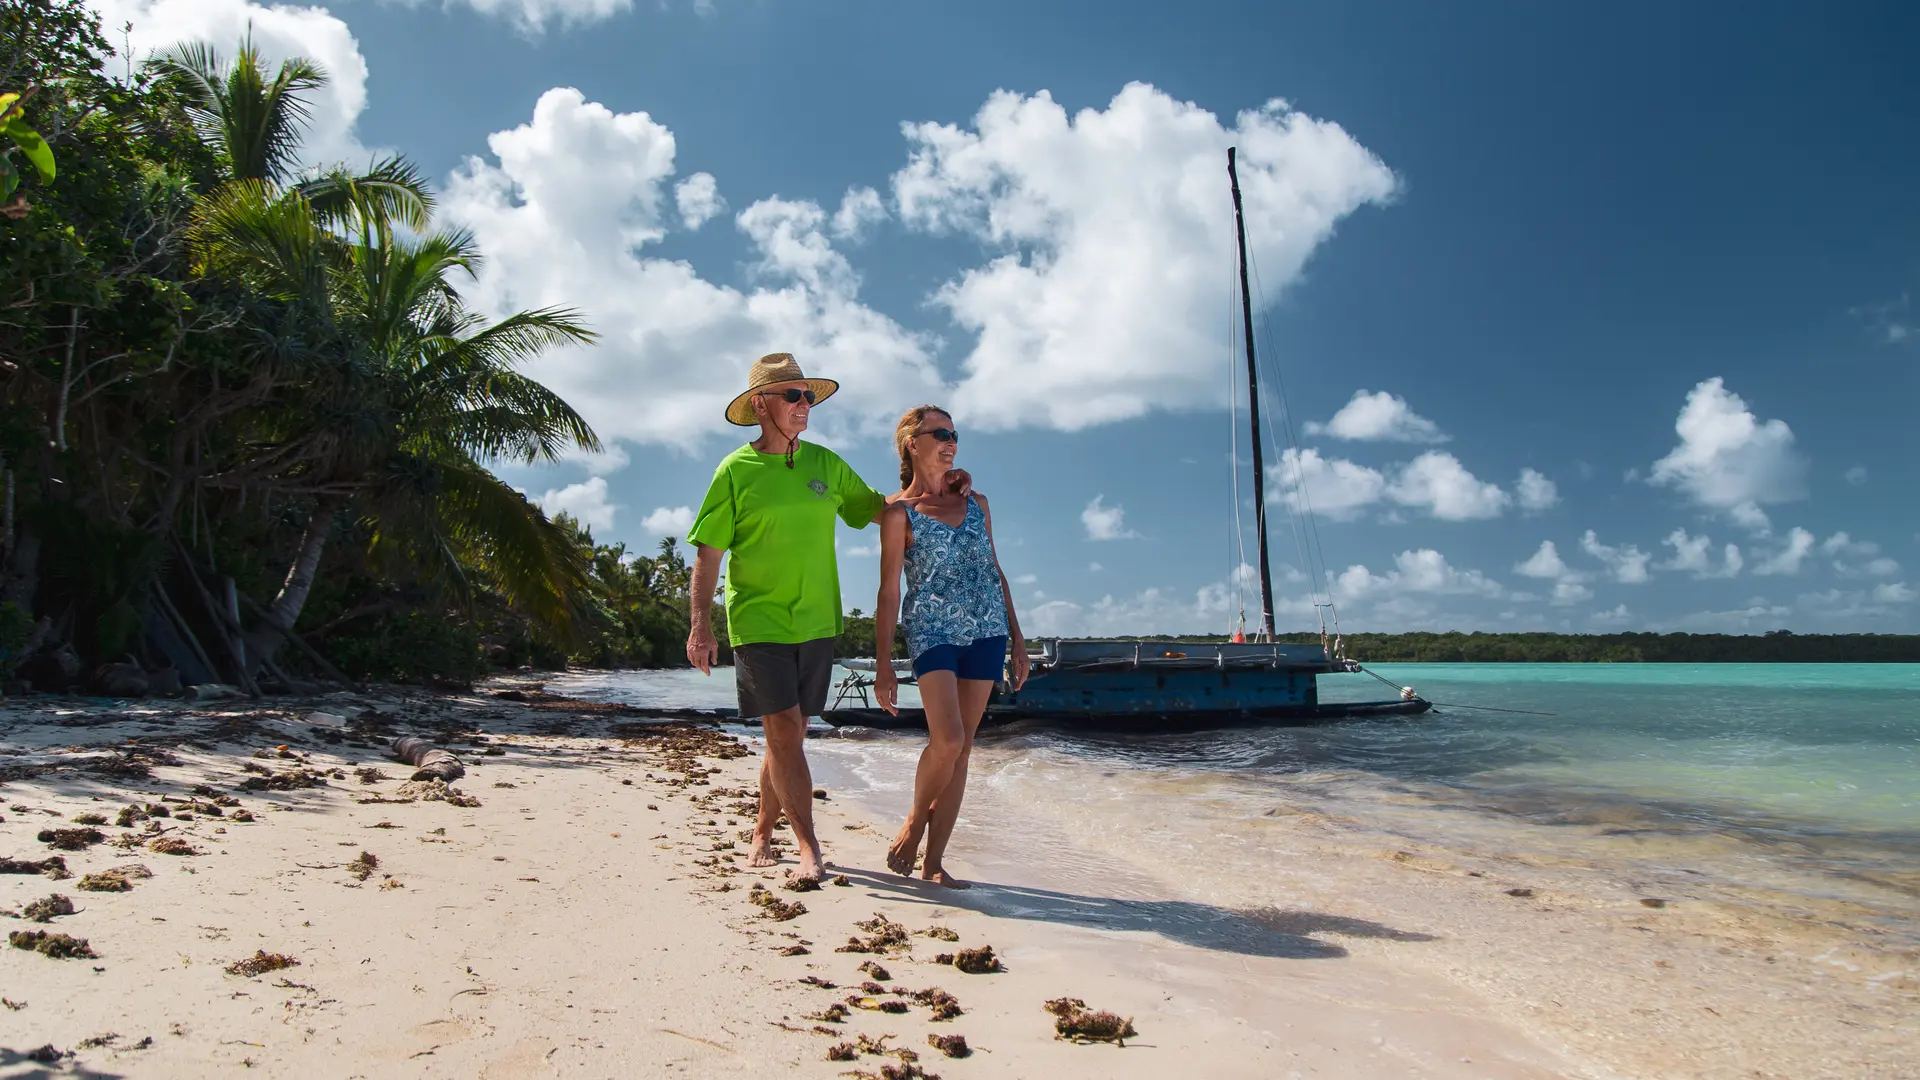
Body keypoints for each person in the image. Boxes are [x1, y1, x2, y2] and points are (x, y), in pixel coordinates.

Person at [685, 354, 965, 882]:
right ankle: (808, 846)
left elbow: (879, 508)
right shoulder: (735, 471)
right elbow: (708, 555)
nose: (804, 405)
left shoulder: (825, 464)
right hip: (758, 620)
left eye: (808, 396)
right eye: (792, 395)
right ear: (760, 404)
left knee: (790, 733)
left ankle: (762, 829)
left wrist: (938, 485)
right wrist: (701, 625)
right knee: (785, 730)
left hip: (818, 620)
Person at [874, 405, 1028, 889]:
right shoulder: (898, 512)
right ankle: (914, 823)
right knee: (949, 739)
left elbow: (995, 570)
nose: (951, 441)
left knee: (964, 751)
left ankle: (934, 862)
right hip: (932, 629)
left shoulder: (978, 502)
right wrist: (882, 665)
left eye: (954, 433)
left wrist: (1018, 641)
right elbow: (888, 591)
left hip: (987, 629)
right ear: (910, 443)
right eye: (939, 433)